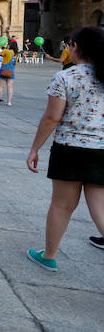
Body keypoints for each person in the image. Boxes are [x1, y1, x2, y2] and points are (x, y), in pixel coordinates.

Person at [26, 27, 104, 272]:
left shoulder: (66, 77)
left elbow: (52, 118)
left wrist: (35, 148)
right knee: (100, 206)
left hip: (69, 149)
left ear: (76, 48)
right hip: (100, 150)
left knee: (62, 205)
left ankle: (49, 256)